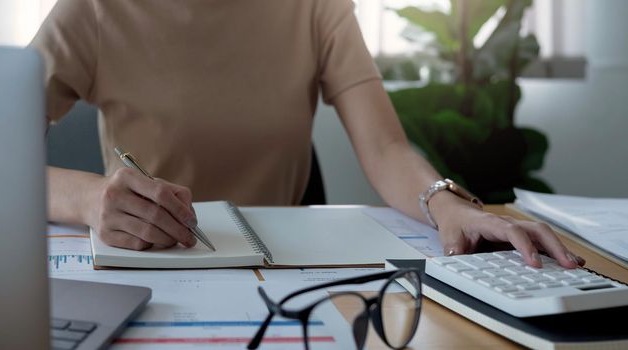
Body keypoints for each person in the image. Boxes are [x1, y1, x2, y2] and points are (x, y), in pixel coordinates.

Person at [31, 0, 584, 268]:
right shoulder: (93, 11)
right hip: (151, 262)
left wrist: (446, 204)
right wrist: (88, 198)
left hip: (285, 269)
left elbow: (386, 147)